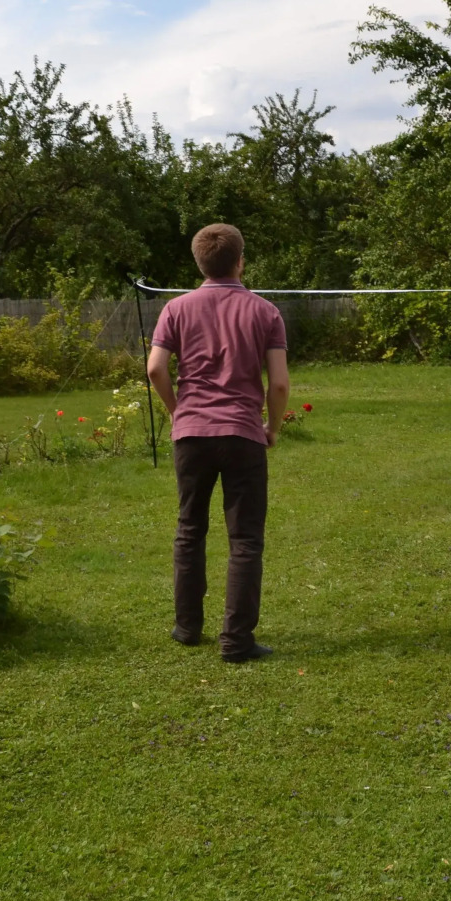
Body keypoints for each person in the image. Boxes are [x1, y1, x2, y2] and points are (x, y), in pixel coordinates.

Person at [146, 223, 290, 663]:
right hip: (243, 432)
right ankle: (236, 641)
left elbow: (155, 369)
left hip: (192, 432)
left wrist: (178, 412)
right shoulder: (265, 312)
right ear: (241, 260)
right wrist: (273, 428)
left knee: (190, 530)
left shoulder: (176, 308)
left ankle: (187, 627)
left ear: (199, 261)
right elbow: (279, 383)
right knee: (244, 538)